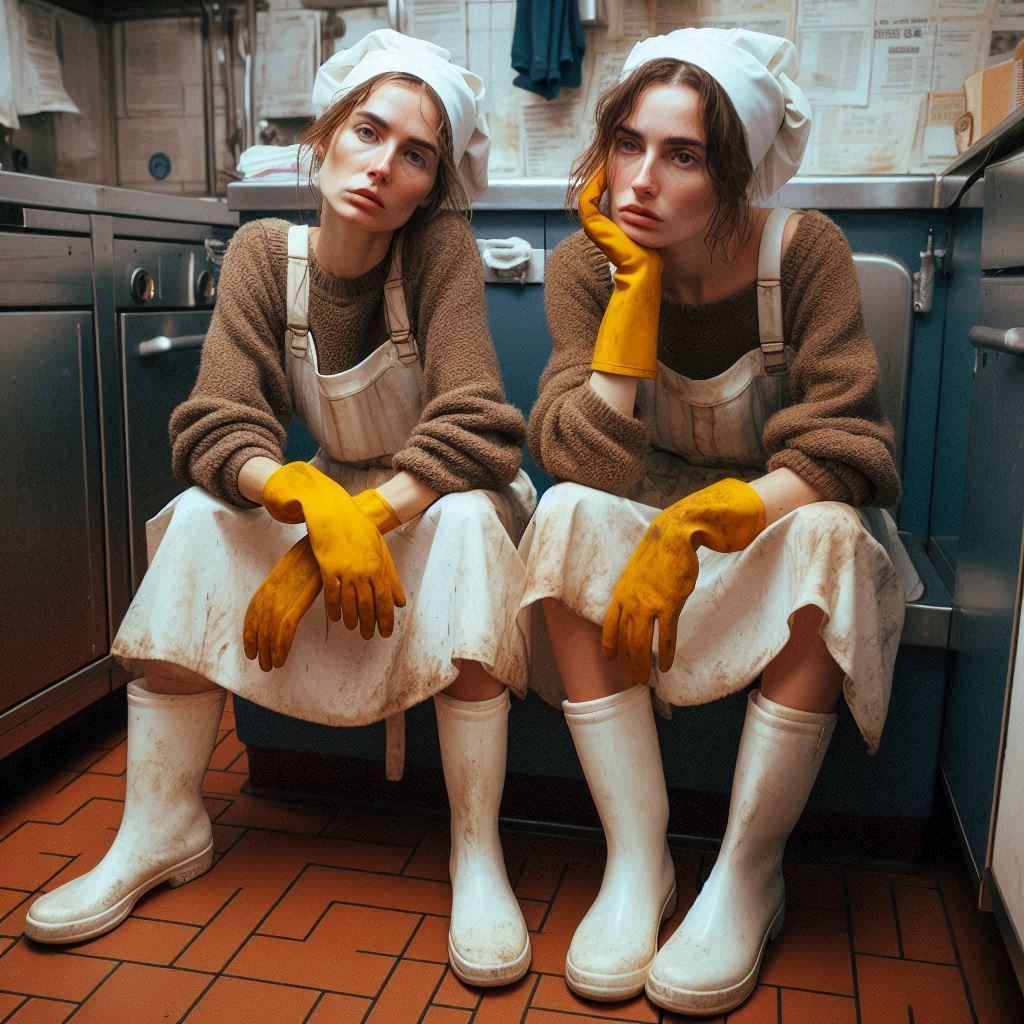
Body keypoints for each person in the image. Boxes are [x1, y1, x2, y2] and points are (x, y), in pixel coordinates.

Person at [26, 29, 535, 989]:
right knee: (196, 517)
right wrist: (301, 493)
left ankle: (478, 853)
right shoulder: (266, 255)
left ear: (433, 183)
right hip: (333, 488)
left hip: (434, 499)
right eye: (369, 132)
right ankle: (163, 825)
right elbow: (216, 424)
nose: (384, 166)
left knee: (468, 525)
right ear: (326, 135)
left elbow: (479, 428)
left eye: (415, 154)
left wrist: (347, 529)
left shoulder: (439, 253)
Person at [518, 28, 905, 1015]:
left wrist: (703, 519)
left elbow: (853, 447)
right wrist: (632, 292)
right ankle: (636, 859)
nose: (640, 180)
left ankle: (746, 874)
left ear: (730, 172)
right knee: (561, 516)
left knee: (830, 535)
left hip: (763, 541)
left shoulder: (799, 251)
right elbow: (576, 453)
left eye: (682, 155)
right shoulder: (587, 267)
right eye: (626, 143)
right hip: (639, 536)